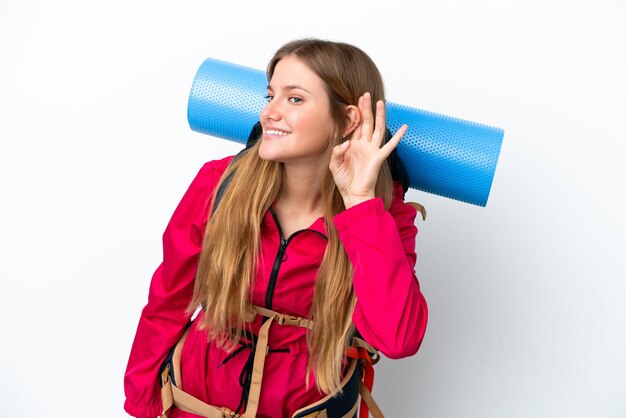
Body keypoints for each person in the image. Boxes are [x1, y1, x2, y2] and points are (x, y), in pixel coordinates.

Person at [124, 38, 428, 418]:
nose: (269, 112)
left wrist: (361, 204)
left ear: (349, 119)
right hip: (191, 405)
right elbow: (168, 299)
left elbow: (398, 338)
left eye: (295, 99)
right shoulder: (219, 183)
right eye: (271, 96)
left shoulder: (383, 215)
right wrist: (142, 403)